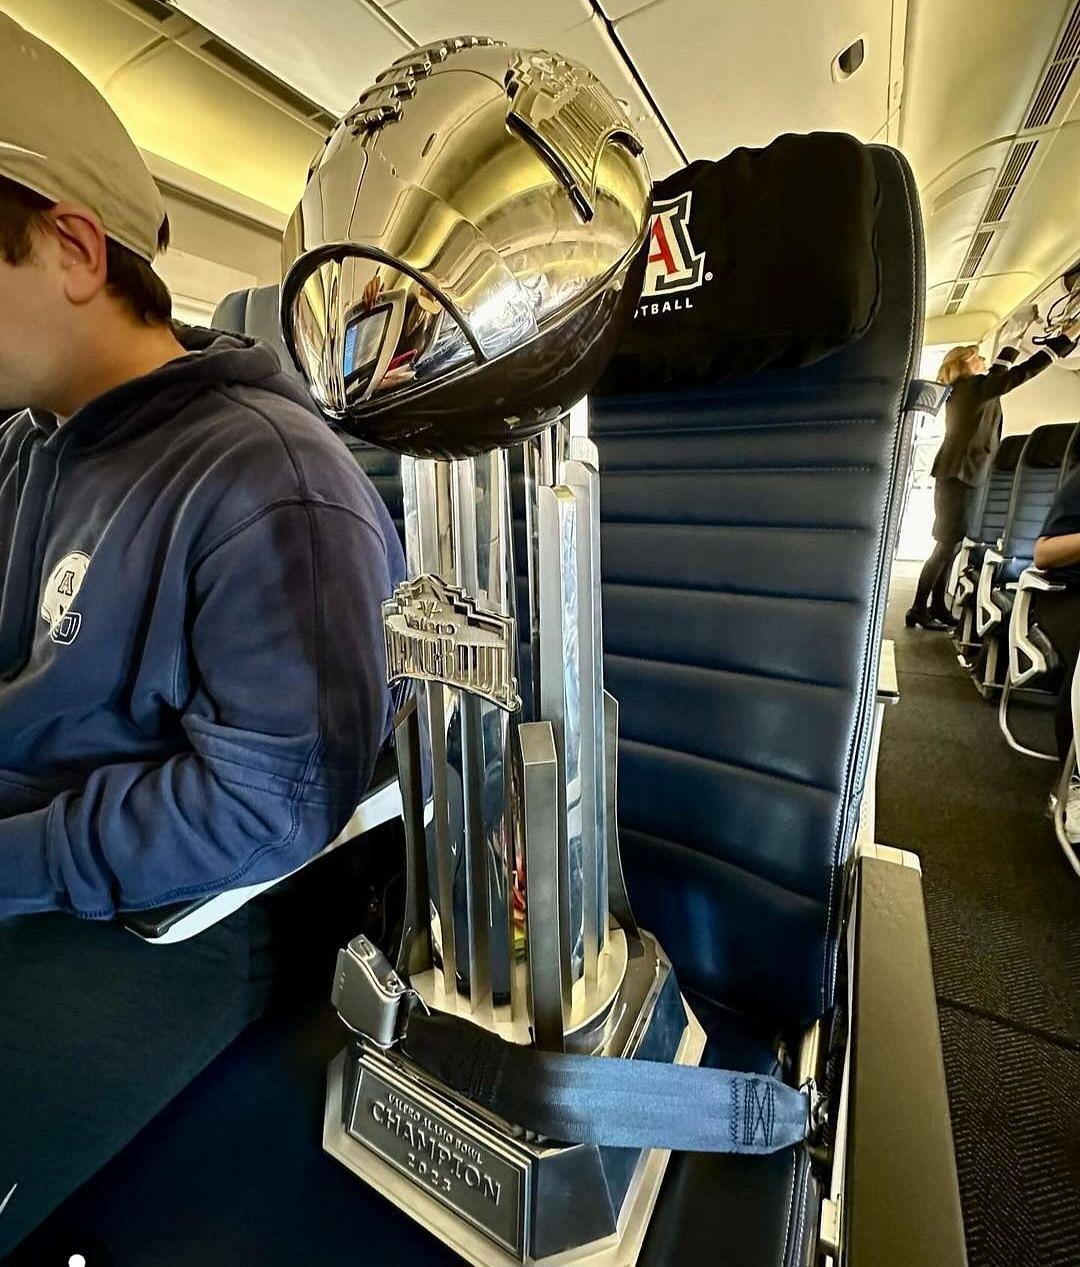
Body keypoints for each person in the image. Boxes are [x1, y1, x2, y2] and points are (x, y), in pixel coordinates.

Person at [0, 15, 405, 1256]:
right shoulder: (24, 450)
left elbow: (268, 811)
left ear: (72, 248)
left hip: (167, 925)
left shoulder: (266, 479)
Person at [907, 323, 1080, 629]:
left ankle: (936, 607)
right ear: (962, 363)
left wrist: (1012, 343)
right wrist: (1067, 338)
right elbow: (1021, 373)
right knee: (946, 544)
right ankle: (919, 608)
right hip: (960, 475)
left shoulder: (969, 390)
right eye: (977, 358)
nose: (984, 362)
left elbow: (1001, 372)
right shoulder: (972, 387)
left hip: (960, 474)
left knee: (952, 543)